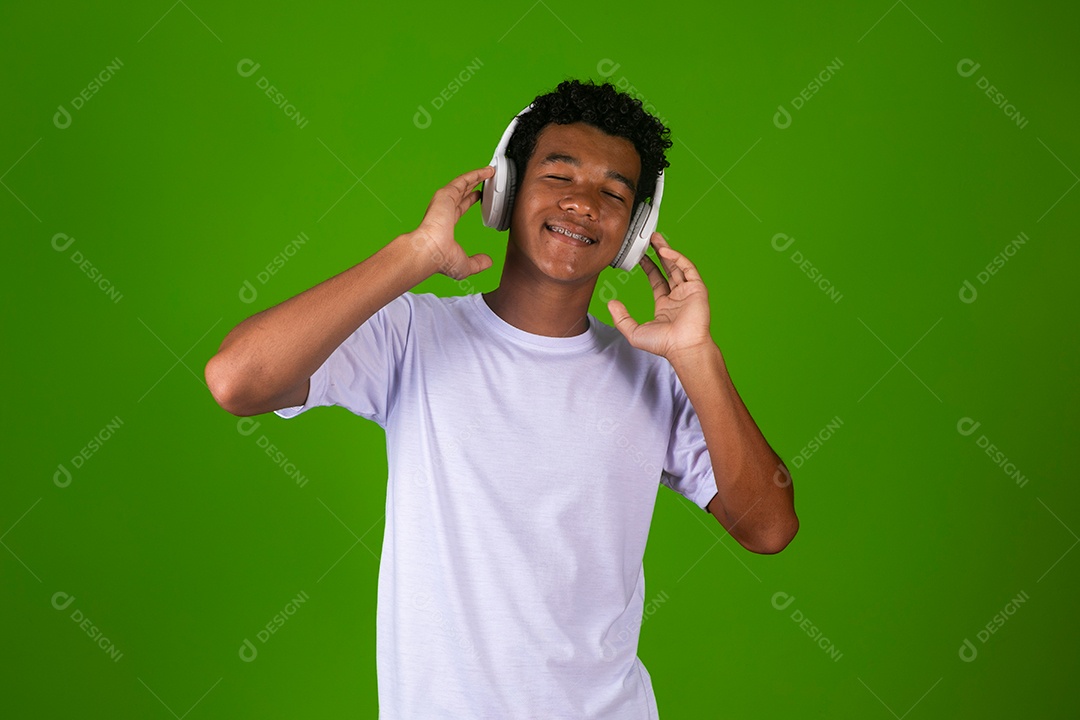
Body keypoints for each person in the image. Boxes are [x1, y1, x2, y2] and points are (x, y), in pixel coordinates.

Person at [206, 79, 798, 719]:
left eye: (613, 192)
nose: (581, 205)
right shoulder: (413, 334)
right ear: (507, 189)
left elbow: (768, 526)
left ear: (634, 231)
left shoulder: (656, 375)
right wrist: (416, 253)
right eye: (559, 175)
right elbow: (238, 380)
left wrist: (696, 354)